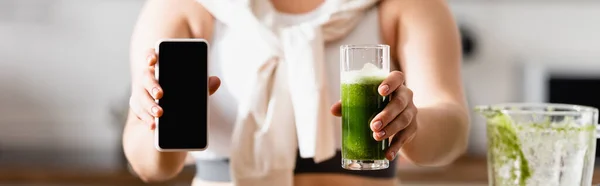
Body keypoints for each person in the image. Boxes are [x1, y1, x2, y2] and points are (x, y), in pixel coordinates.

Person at [123, 0, 470, 185]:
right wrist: (157, 118)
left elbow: (452, 130)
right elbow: (153, 168)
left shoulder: (407, 4)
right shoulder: (184, 4)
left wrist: (412, 122)